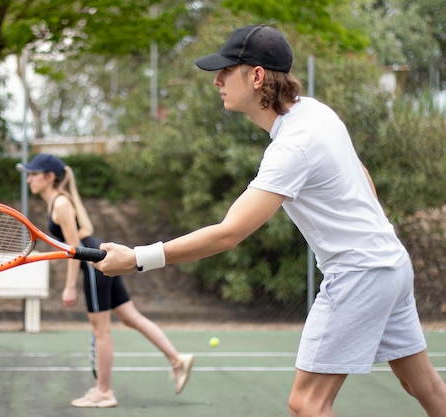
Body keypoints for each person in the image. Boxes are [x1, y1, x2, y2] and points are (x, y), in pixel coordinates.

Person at [92, 24, 446, 417]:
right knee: (422, 384)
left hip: (359, 274)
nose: (218, 81)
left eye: (226, 70)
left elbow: (229, 234)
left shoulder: (293, 146)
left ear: (257, 76)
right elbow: (360, 172)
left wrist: (138, 258)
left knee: (307, 404)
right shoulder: (316, 112)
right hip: (390, 264)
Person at [17, 153, 194, 408]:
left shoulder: (60, 204)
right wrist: (43, 255)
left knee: (101, 331)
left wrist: (69, 287)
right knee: (129, 316)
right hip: (96, 259)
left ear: (49, 177)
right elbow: (72, 243)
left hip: (93, 266)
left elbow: (74, 249)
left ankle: (104, 391)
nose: (29, 179)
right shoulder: (56, 202)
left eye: (33, 174)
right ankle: (177, 361)